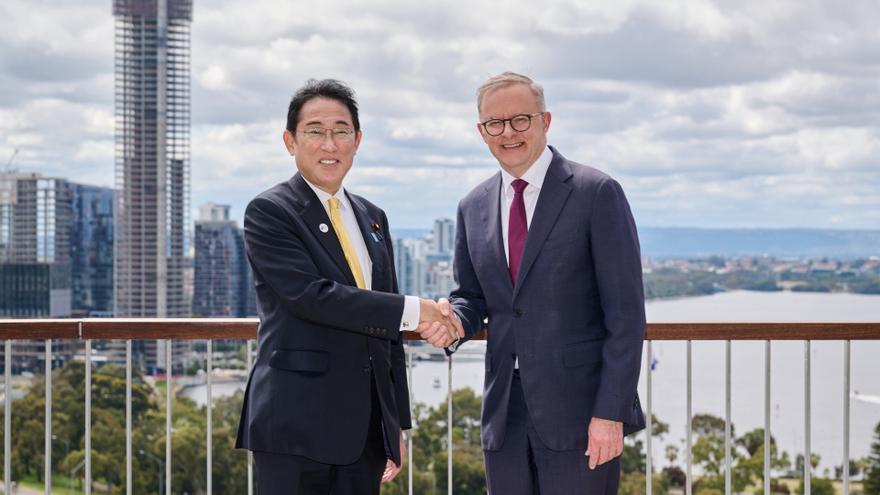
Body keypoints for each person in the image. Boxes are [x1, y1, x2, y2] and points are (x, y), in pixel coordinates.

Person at [426, 72, 647, 494]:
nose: (508, 132)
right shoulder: (472, 206)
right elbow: (472, 298)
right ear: (481, 132)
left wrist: (610, 413)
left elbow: (626, 314)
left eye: (521, 119)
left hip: (581, 415)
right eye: (496, 123)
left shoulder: (596, 192)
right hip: (503, 415)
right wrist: (450, 320)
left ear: (546, 121)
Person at [235, 78, 456, 495]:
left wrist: (396, 427)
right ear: (290, 141)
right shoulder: (270, 211)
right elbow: (309, 297)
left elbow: (387, 335)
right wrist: (418, 310)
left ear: (357, 140)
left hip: (364, 434)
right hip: (295, 428)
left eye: (341, 131)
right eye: (315, 131)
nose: (329, 144)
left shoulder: (373, 217)